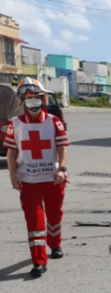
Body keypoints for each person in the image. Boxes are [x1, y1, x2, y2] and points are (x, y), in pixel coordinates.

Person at [3, 79, 69, 277]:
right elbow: (11, 154)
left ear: (43, 99)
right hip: (28, 181)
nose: (33, 102)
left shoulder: (54, 121)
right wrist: (13, 176)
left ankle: (55, 244)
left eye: (37, 98)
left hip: (53, 178)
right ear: (23, 101)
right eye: (29, 99)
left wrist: (62, 168)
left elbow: (62, 147)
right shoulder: (14, 124)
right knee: (35, 220)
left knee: (55, 214)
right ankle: (39, 261)